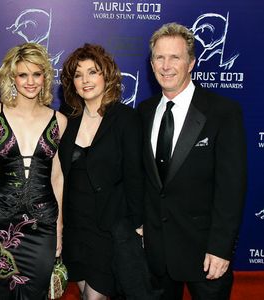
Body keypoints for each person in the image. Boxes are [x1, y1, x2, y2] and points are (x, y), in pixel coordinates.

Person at [137, 22, 247, 299]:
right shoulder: (143, 112)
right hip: (156, 255)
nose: (166, 65)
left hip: (205, 254)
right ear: (151, 64)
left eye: (175, 57)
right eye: (159, 57)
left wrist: (221, 248)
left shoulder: (223, 112)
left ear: (191, 63)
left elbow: (231, 188)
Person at [59, 44, 156, 299]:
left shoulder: (126, 118)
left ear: (107, 75)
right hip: (74, 228)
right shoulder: (66, 119)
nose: (85, 80)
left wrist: (137, 225)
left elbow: (135, 174)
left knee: (94, 297)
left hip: (108, 228)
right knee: (83, 294)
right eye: (78, 75)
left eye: (92, 72)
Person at [0, 42, 67, 299]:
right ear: (12, 77)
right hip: (1, 220)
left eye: (37, 74)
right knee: (2, 291)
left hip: (42, 225)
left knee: (37, 292)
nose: (30, 81)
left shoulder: (59, 121)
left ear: (45, 77)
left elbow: (57, 177)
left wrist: (59, 229)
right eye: (23, 74)